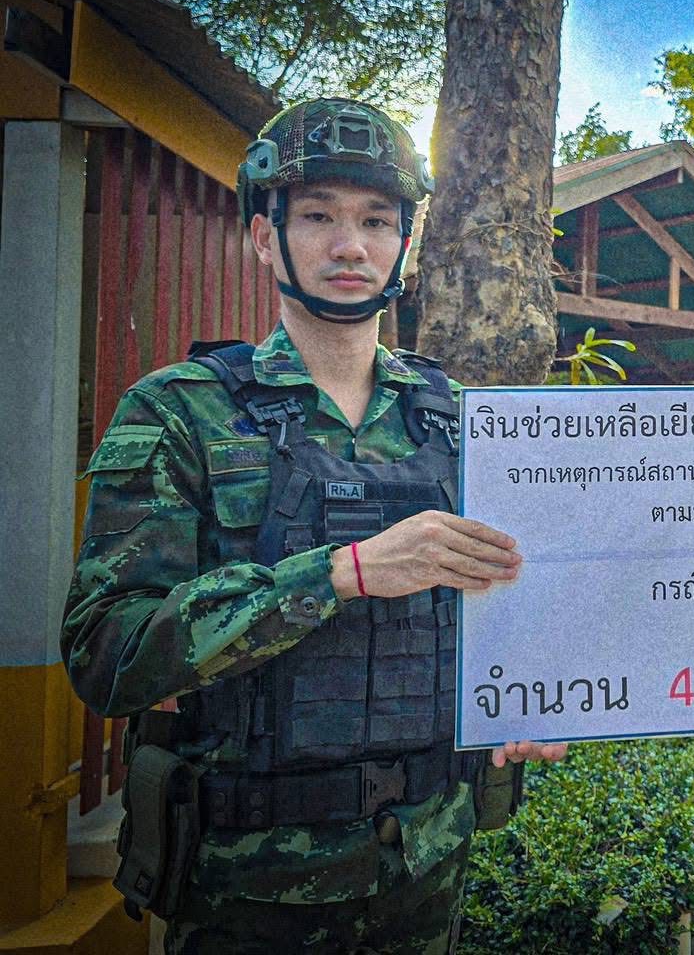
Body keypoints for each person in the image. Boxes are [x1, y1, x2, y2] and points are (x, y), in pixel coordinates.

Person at [62, 98, 566, 954]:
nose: (350, 246)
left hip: (426, 870)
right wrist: (339, 575)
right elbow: (106, 654)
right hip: (246, 891)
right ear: (266, 238)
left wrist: (523, 698)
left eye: (376, 220)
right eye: (319, 217)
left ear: (404, 242)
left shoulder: (464, 421)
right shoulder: (180, 412)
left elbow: (517, 607)